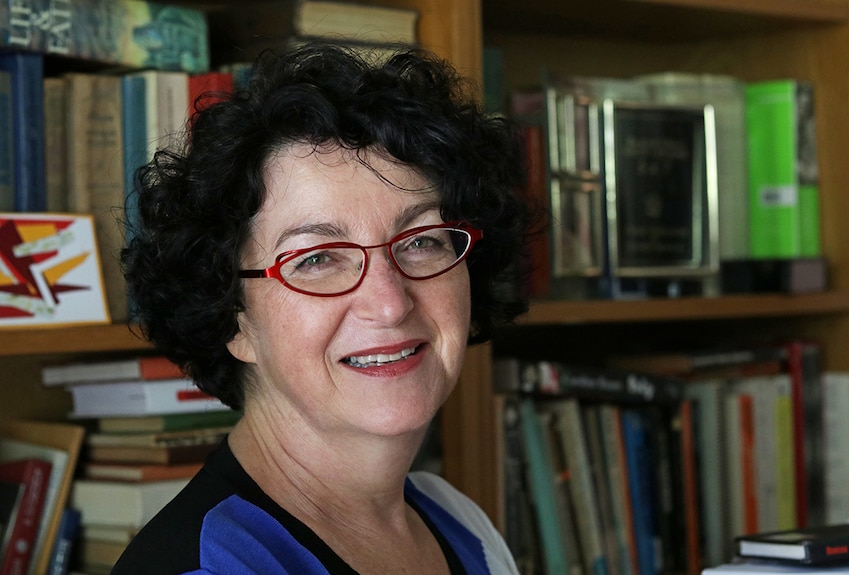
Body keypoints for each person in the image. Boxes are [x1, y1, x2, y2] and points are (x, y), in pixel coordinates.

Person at [112, 42, 534, 574]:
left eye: (422, 240)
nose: (388, 303)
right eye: (316, 259)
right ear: (232, 314)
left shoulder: (459, 523)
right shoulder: (208, 566)